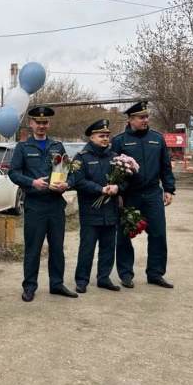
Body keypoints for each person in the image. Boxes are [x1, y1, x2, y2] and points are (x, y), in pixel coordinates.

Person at [8, 106, 78, 302]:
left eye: (45, 122)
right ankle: (29, 286)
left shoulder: (58, 146)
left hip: (55, 204)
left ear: (49, 124)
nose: (41, 126)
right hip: (35, 205)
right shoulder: (23, 148)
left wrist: (65, 184)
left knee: (57, 247)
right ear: (31, 124)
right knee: (33, 248)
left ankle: (56, 284)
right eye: (38, 122)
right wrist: (32, 182)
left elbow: (67, 172)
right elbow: (13, 173)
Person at [111, 101, 176, 289]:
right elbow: (113, 170)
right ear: (131, 119)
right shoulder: (119, 141)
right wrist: (119, 193)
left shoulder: (157, 139)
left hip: (153, 193)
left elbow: (165, 166)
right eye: (141, 117)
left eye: (147, 116)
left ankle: (155, 273)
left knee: (158, 234)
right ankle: (126, 274)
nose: (145, 120)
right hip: (129, 194)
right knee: (124, 235)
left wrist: (169, 189)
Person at [68, 119, 126, 293]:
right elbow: (78, 181)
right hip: (91, 210)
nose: (105, 139)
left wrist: (118, 187)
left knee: (108, 247)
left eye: (107, 136)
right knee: (87, 247)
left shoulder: (115, 157)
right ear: (92, 137)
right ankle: (82, 280)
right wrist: (100, 189)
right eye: (101, 136)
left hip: (110, 210)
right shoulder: (81, 157)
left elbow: (125, 180)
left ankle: (104, 278)